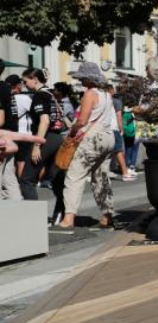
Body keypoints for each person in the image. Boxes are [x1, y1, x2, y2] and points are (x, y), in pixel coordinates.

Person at [59, 62, 116, 229]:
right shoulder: (107, 94)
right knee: (100, 177)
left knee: (74, 177)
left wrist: (72, 131)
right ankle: (107, 216)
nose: (81, 81)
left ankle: (68, 218)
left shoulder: (89, 94)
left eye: (82, 78)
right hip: (108, 137)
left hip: (92, 137)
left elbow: (82, 121)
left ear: (88, 79)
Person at [18, 69, 65, 207]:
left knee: (26, 180)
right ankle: (62, 213)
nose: (24, 84)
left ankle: (33, 219)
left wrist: (37, 146)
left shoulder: (39, 96)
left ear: (35, 79)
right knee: (55, 179)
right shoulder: (52, 94)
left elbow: (44, 121)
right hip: (57, 138)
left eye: (25, 81)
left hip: (45, 139)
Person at [0, 74, 17, 199]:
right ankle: (18, 208)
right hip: (10, 134)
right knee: (8, 175)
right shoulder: (7, 88)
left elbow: (0, 119)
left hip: (2, 136)